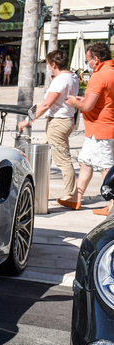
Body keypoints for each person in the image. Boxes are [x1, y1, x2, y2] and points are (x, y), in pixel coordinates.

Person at [18, 50, 79, 207]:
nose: (49, 68)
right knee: (42, 155)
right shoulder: (72, 77)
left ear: (54, 64)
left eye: (49, 65)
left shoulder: (60, 80)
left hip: (58, 123)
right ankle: (37, 189)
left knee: (63, 159)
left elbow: (46, 104)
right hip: (66, 119)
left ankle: (71, 196)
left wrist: (28, 121)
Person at [64, 42, 114, 215]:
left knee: (106, 168)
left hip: (100, 129)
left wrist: (73, 101)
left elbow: (87, 106)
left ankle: (113, 206)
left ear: (96, 59)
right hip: (101, 128)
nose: (87, 64)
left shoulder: (99, 75)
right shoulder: (112, 72)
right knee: (85, 162)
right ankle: (76, 199)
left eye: (87, 60)